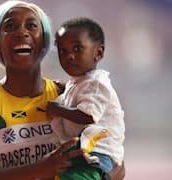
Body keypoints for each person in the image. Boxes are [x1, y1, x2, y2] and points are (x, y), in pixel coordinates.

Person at [0, 1, 125, 180]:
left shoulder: (67, 95)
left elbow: (117, 165)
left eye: (31, 26)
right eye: (10, 26)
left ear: (44, 43)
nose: (22, 32)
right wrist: (39, 170)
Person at [47, 17, 125, 180]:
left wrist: (58, 109)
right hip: (80, 151)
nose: (69, 56)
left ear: (98, 53)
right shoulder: (76, 83)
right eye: (63, 51)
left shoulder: (96, 83)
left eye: (77, 49)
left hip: (98, 152)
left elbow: (87, 115)